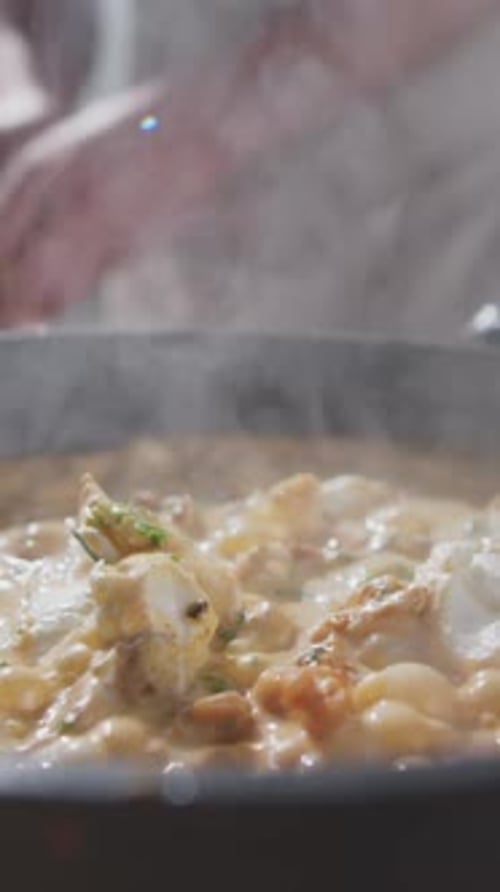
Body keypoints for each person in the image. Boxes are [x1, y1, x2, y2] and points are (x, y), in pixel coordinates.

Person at [0, 0, 498, 333]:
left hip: (409, 205)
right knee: (170, 405)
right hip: (157, 218)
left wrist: (191, 130)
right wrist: (17, 101)